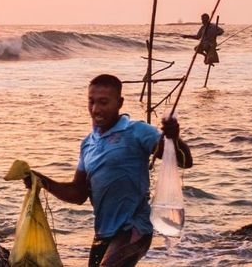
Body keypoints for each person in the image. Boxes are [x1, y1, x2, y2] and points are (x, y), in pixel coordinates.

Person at [24, 74, 190, 267]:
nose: (95, 109)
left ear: (119, 103)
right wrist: (42, 181)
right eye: (91, 102)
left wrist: (173, 138)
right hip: (103, 233)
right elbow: (78, 194)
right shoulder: (88, 144)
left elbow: (185, 161)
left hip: (134, 228)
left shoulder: (137, 131)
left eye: (103, 102)